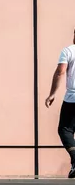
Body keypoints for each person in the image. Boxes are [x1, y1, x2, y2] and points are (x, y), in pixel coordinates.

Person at [45, 29, 75, 178]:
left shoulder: (68, 51)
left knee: (65, 129)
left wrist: (52, 94)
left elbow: (60, 72)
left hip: (73, 98)